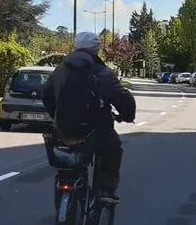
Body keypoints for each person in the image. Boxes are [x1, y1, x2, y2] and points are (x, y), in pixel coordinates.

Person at [42, 32, 137, 203]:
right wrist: (127, 116)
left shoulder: (60, 70)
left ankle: (64, 195)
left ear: (75, 47)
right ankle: (106, 191)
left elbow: (47, 96)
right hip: (96, 131)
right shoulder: (103, 73)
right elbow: (123, 98)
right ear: (96, 49)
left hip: (65, 130)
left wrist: (58, 117)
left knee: (65, 166)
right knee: (112, 149)